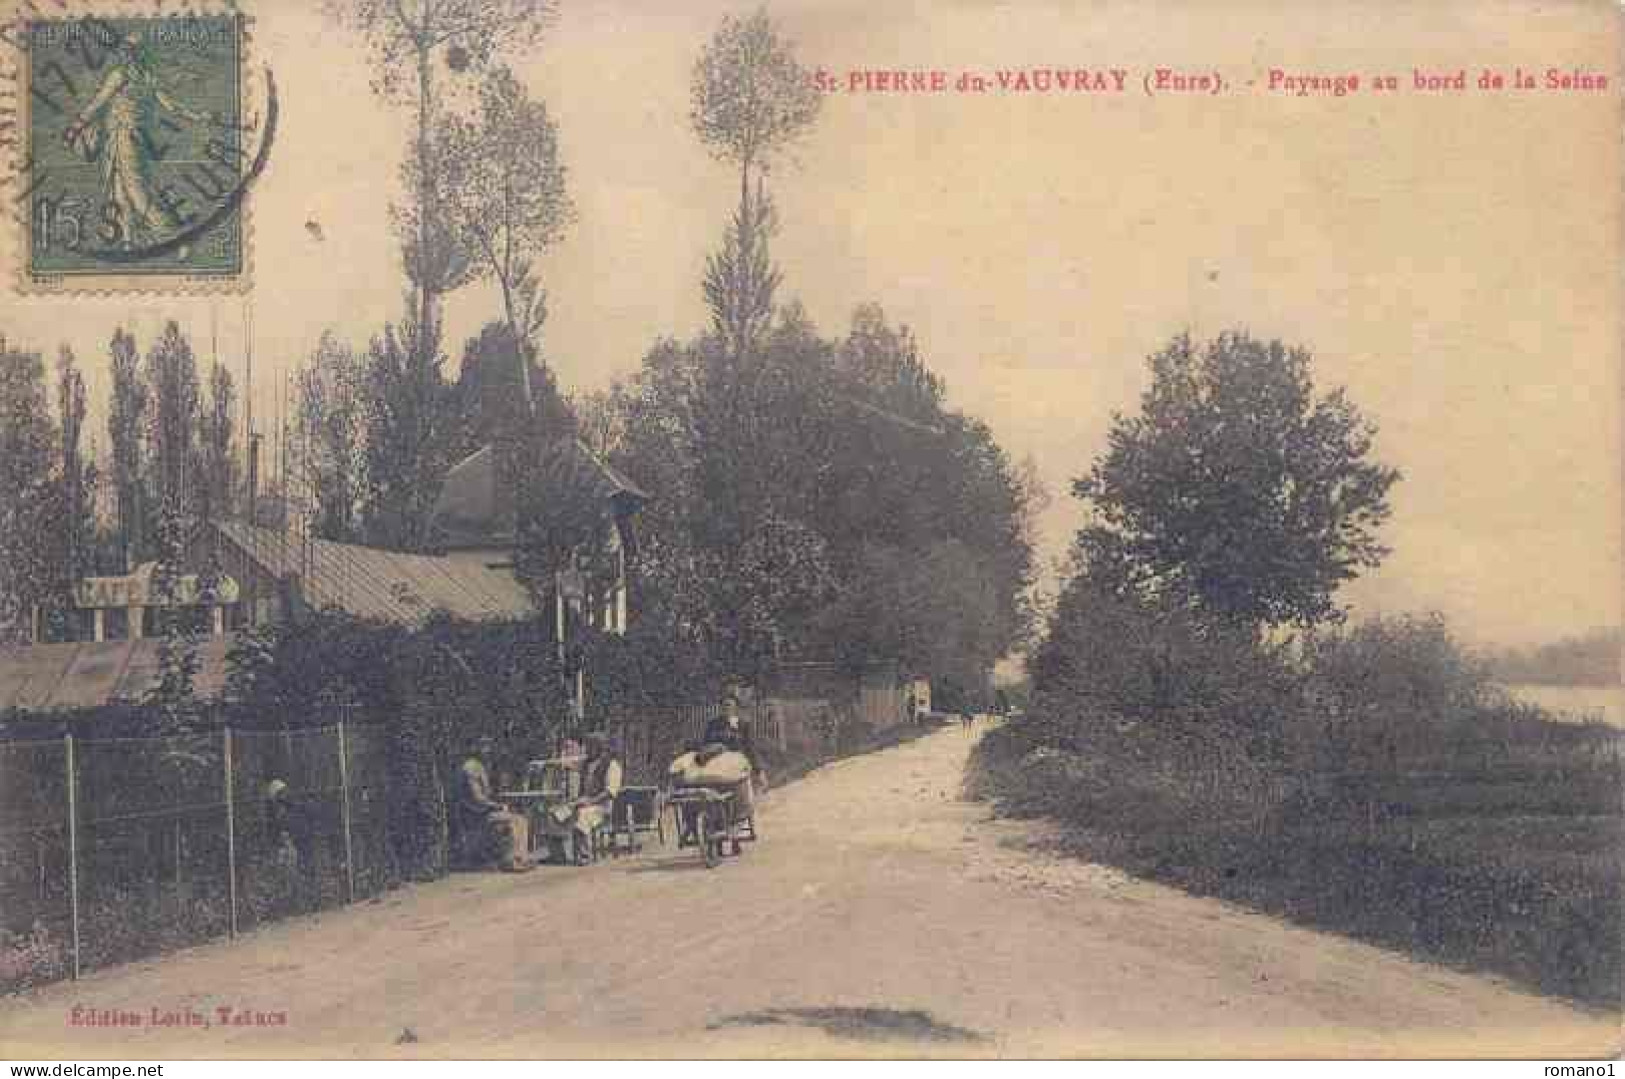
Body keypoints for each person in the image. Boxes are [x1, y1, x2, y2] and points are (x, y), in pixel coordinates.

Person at [452, 736, 531, 872]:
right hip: (474, 813)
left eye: (488, 746)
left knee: (521, 820)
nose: (487, 750)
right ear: (474, 748)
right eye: (483, 746)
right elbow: (477, 798)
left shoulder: (480, 765)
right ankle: (511, 860)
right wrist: (497, 806)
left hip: (481, 810)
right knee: (514, 820)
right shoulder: (471, 767)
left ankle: (519, 858)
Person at [565, 733, 624, 864]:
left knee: (582, 815)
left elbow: (610, 792)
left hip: (602, 807)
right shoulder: (587, 763)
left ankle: (584, 855)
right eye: (587, 746)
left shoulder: (612, 765)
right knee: (558, 813)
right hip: (585, 803)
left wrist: (589, 801)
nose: (587, 750)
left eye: (590, 746)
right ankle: (560, 854)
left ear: (599, 748)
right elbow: (569, 764)